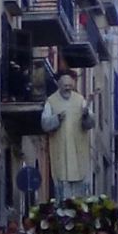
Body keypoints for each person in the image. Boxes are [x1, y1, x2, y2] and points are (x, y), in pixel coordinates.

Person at [41, 71, 95, 200]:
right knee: (62, 177)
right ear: (59, 85)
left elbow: (90, 123)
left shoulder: (80, 100)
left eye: (69, 85)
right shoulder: (51, 101)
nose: (67, 88)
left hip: (78, 148)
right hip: (60, 148)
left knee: (79, 177)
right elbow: (44, 123)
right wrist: (57, 118)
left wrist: (86, 115)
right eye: (64, 85)